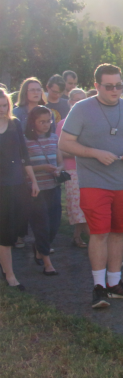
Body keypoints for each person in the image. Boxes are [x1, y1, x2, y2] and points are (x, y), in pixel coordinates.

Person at [59, 63, 123, 309]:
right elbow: (65, 143)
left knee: (119, 233)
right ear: (96, 86)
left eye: (119, 85)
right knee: (99, 234)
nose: (115, 90)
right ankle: (98, 287)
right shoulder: (81, 109)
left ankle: (115, 284)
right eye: (109, 86)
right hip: (94, 183)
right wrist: (94, 153)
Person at [0, 88, 38, 291]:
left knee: (12, 230)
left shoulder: (15, 124)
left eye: (4, 105)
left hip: (16, 184)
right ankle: (10, 275)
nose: (1, 109)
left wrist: (33, 180)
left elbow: (24, 154)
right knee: (4, 232)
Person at [24, 106, 62, 276]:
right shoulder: (25, 141)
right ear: (33, 123)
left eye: (48, 121)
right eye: (42, 122)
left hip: (53, 187)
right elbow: (23, 166)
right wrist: (43, 167)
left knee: (54, 226)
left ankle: (40, 248)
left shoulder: (54, 138)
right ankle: (48, 264)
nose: (46, 124)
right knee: (42, 226)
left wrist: (58, 169)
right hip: (35, 190)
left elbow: (60, 161)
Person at [56, 88, 90, 248]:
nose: (79, 103)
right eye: (76, 100)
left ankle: (77, 236)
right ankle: (93, 237)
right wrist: (80, 152)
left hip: (90, 168)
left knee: (88, 204)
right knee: (77, 204)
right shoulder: (62, 124)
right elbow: (58, 150)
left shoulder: (90, 121)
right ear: (70, 102)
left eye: (82, 100)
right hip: (72, 169)